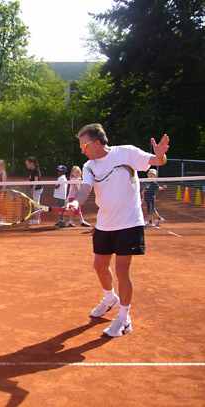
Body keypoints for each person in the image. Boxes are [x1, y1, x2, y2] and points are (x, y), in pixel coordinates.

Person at [66, 123, 169, 337]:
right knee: (100, 265)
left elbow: (156, 161)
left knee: (122, 270)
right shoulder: (89, 166)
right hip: (105, 224)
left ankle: (124, 318)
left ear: (96, 142)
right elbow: (85, 188)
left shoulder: (126, 153)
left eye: (84, 146)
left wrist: (161, 156)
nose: (82, 150)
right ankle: (109, 298)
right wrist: (76, 203)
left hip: (129, 222)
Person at [25, 156, 43, 226]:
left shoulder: (35, 170)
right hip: (36, 189)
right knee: (36, 204)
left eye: (28, 164)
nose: (27, 166)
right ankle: (37, 219)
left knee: (36, 205)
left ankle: (37, 220)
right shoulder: (33, 171)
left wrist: (33, 189)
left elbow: (36, 181)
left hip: (37, 189)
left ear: (32, 163)